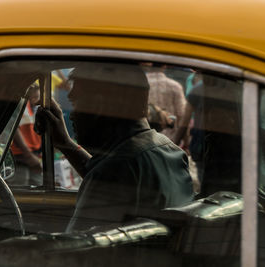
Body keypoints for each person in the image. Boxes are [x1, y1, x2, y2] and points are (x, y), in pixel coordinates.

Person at [35, 62, 194, 232]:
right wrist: (65, 144)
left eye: (76, 105)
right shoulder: (170, 151)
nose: (72, 116)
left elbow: (74, 249)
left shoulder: (115, 170)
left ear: (101, 106)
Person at [9, 84, 42, 186]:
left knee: (37, 185)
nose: (37, 100)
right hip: (21, 156)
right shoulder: (21, 105)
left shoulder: (35, 108)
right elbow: (15, 129)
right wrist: (28, 155)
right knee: (21, 186)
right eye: (35, 97)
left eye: (38, 97)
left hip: (34, 155)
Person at [145, 63, 186, 141]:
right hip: (170, 139)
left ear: (148, 64)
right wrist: (185, 141)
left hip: (145, 137)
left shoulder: (142, 84)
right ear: (164, 65)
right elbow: (182, 116)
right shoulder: (175, 86)